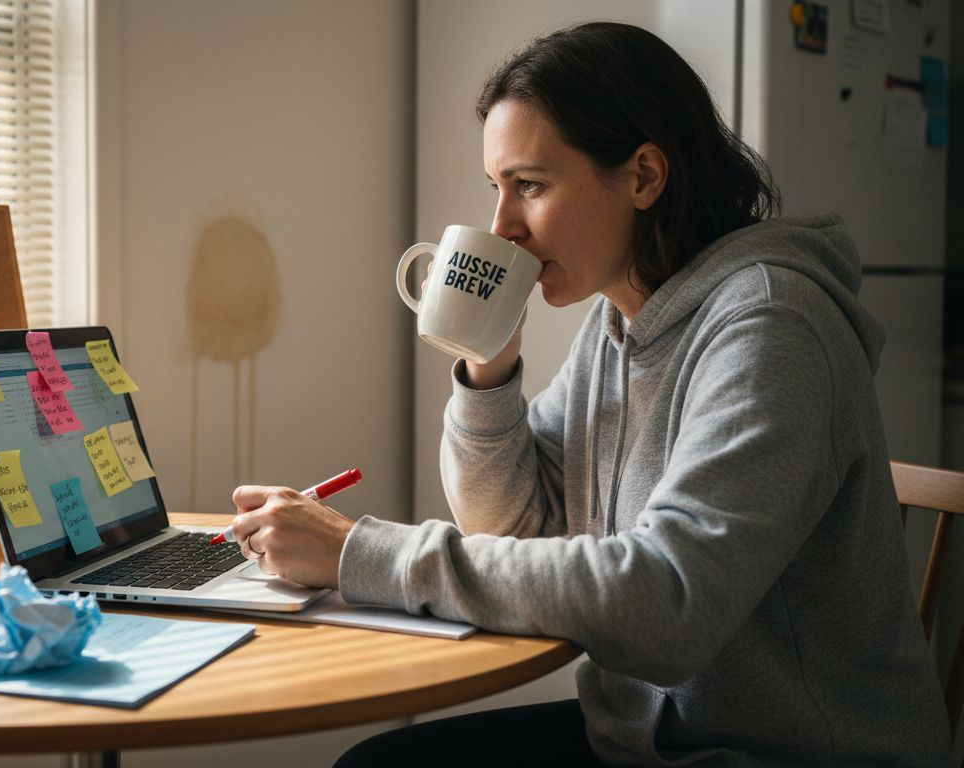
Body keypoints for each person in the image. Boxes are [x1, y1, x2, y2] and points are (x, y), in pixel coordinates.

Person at [226, 21, 954, 767]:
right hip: (642, 740)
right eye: (496, 188)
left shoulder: (772, 326)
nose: (502, 226)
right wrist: (488, 368)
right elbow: (511, 527)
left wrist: (358, 550)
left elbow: (667, 603)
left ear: (643, 176)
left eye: (530, 186)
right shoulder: (620, 321)